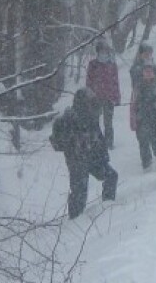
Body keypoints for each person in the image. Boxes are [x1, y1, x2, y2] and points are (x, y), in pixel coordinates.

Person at [49, 88, 118, 219]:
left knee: (111, 176)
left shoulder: (92, 116)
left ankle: (108, 208)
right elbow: (59, 142)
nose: (93, 103)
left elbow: (99, 138)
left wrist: (103, 157)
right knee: (79, 192)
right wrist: (72, 146)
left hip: (93, 159)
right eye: (90, 101)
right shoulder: (68, 119)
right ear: (82, 102)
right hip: (77, 161)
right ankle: (74, 220)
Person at [130, 43, 156, 170]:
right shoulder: (136, 69)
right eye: (145, 53)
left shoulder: (155, 68)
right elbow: (135, 86)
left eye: (149, 53)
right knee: (143, 138)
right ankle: (146, 164)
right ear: (140, 54)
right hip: (142, 110)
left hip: (155, 109)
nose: (148, 55)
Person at [86, 40, 120, 149]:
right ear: (98, 52)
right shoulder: (93, 65)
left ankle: (109, 143)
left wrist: (117, 97)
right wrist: (89, 96)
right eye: (102, 51)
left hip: (109, 98)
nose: (104, 53)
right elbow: (89, 82)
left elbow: (115, 82)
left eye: (105, 50)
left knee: (108, 123)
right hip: (95, 98)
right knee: (94, 121)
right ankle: (96, 142)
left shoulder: (112, 65)